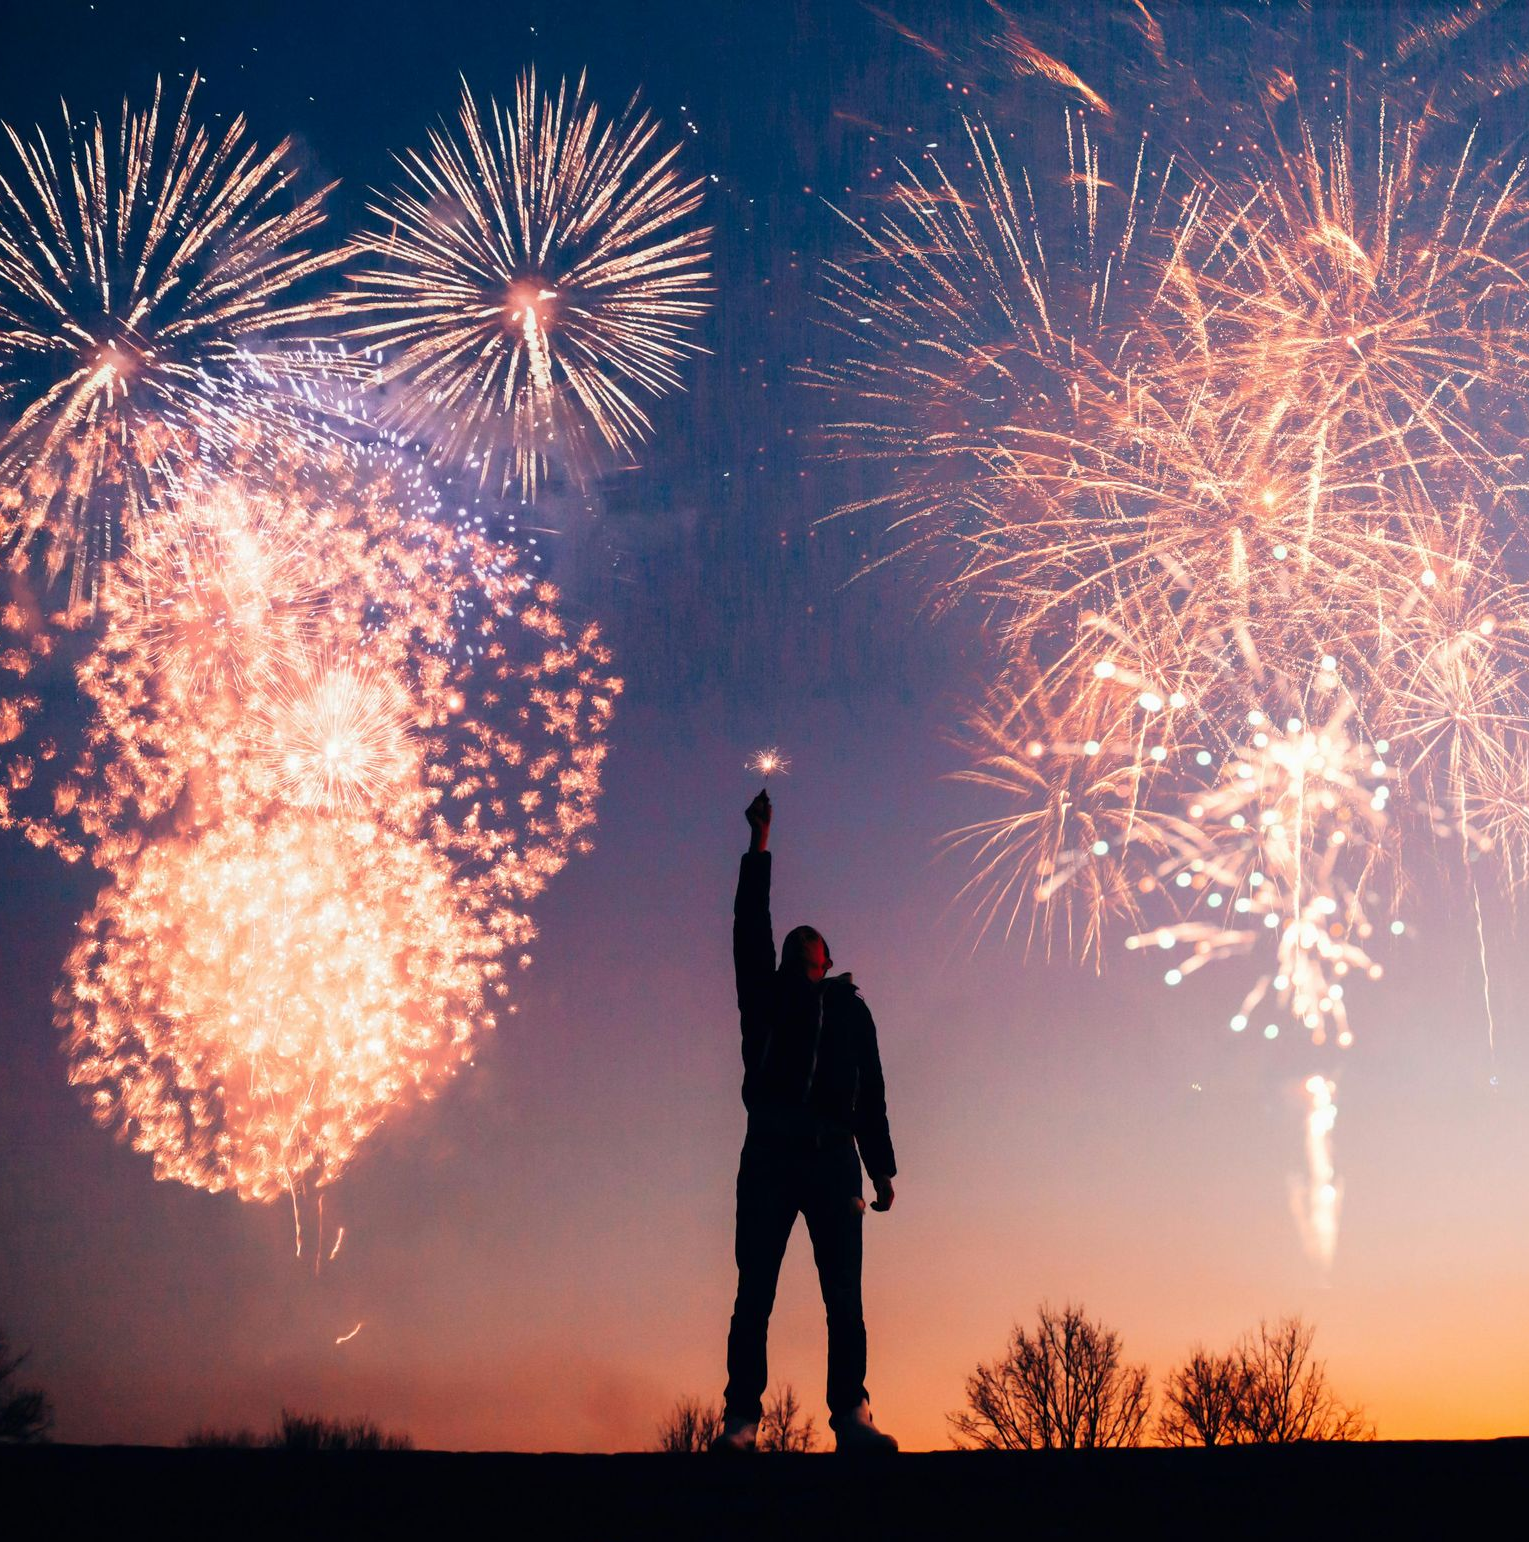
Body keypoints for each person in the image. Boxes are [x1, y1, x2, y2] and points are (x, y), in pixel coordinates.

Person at [712, 788, 899, 1454]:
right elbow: (748, 925)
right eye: (790, 949)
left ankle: (851, 1414)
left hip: (833, 1158)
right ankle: (741, 1420)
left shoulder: (851, 1013)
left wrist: (881, 1167)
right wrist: (759, 845)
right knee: (754, 1291)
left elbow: (870, 1092)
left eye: (807, 950)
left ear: (826, 962)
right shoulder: (763, 998)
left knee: (843, 1296)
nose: (797, 952)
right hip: (770, 1152)